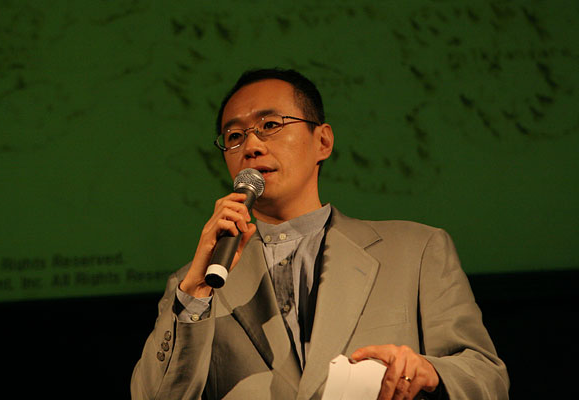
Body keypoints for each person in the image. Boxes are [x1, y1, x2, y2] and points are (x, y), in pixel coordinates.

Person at [131, 68, 509, 400]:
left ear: (323, 141)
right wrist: (195, 295)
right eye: (234, 135)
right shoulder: (194, 286)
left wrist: (430, 374)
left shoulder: (417, 250)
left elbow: (487, 379)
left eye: (270, 125)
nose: (251, 146)